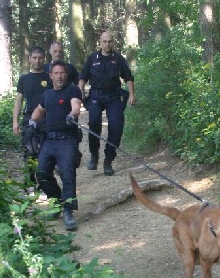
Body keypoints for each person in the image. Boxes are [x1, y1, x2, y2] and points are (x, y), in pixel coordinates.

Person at [30, 60, 82, 231]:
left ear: (66, 75)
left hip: (67, 139)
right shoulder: (48, 94)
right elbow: (38, 112)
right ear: (51, 76)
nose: (60, 76)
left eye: (62, 73)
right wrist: (31, 121)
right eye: (56, 73)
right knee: (42, 173)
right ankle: (59, 201)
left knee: (67, 172)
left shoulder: (72, 90)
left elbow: (76, 106)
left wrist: (72, 115)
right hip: (49, 141)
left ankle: (68, 211)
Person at [78, 31, 136, 176]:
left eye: (110, 41)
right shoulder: (92, 58)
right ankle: (94, 155)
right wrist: (81, 93)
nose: (107, 44)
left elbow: (128, 77)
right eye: (104, 41)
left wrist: (132, 95)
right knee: (94, 124)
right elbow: (82, 77)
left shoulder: (118, 58)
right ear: (100, 42)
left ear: (113, 42)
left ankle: (108, 160)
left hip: (113, 95)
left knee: (116, 126)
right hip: (96, 96)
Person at [13, 46, 53, 192]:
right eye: (34, 58)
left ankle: (44, 184)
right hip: (29, 119)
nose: (37, 60)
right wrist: (15, 122)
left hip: (48, 120)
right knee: (30, 152)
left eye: (40, 58)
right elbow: (18, 101)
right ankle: (30, 184)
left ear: (44, 59)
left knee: (46, 153)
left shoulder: (50, 77)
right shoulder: (24, 79)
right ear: (30, 59)